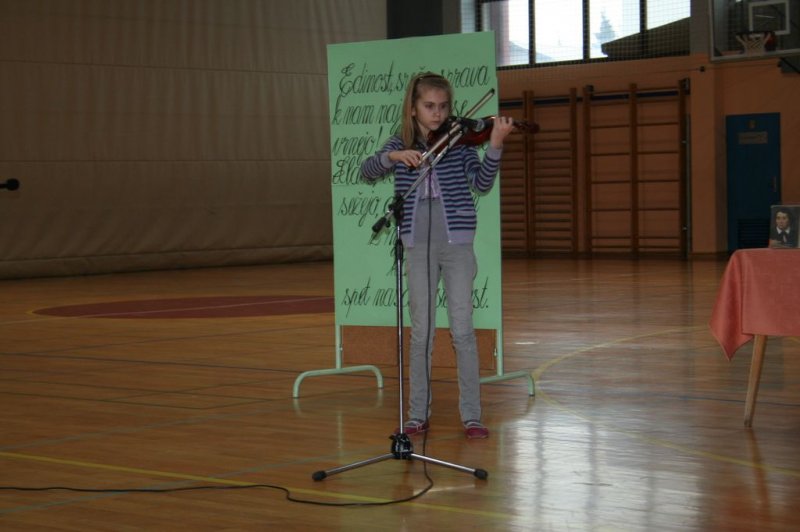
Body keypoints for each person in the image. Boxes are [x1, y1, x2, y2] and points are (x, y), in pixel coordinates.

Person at [360, 72, 513, 439]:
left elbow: (481, 183)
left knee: (462, 329)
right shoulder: (400, 143)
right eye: (429, 106)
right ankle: (416, 414)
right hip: (417, 243)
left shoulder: (459, 143)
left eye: (443, 107)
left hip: (456, 242)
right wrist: (394, 155)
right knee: (421, 331)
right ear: (413, 109)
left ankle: (472, 415)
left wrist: (494, 145)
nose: (438, 114)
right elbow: (367, 170)